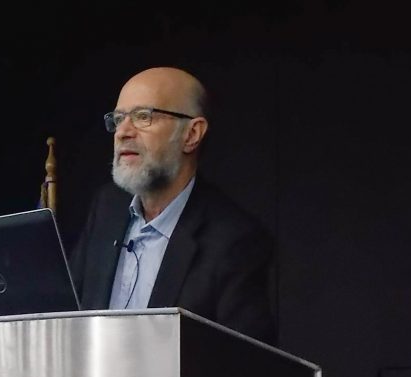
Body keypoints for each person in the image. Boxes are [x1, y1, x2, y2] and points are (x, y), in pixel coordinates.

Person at [69, 67, 276, 344]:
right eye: (118, 119)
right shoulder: (107, 208)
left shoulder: (235, 241)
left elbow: (242, 370)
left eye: (143, 117)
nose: (122, 133)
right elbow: (69, 314)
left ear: (192, 134)